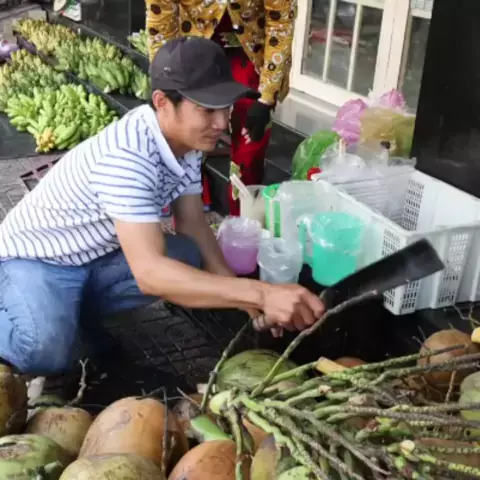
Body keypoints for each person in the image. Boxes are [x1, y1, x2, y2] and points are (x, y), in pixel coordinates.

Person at [0, 38, 324, 376]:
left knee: (187, 254)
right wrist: (262, 293)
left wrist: (247, 304)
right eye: (207, 110)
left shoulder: (185, 144)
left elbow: (193, 224)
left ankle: (66, 313)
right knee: (46, 353)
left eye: (225, 108)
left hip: (92, 257)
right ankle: (27, 311)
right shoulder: (128, 157)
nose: (221, 123)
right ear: (162, 103)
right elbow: (150, 274)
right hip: (33, 259)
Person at [146, 0, 296, 215]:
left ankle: (243, 216)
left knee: (252, 139)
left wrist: (266, 97)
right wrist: (165, 80)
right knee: (184, 131)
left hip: (250, 56)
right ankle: (188, 210)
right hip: (193, 58)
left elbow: (280, 24)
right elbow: (161, 21)